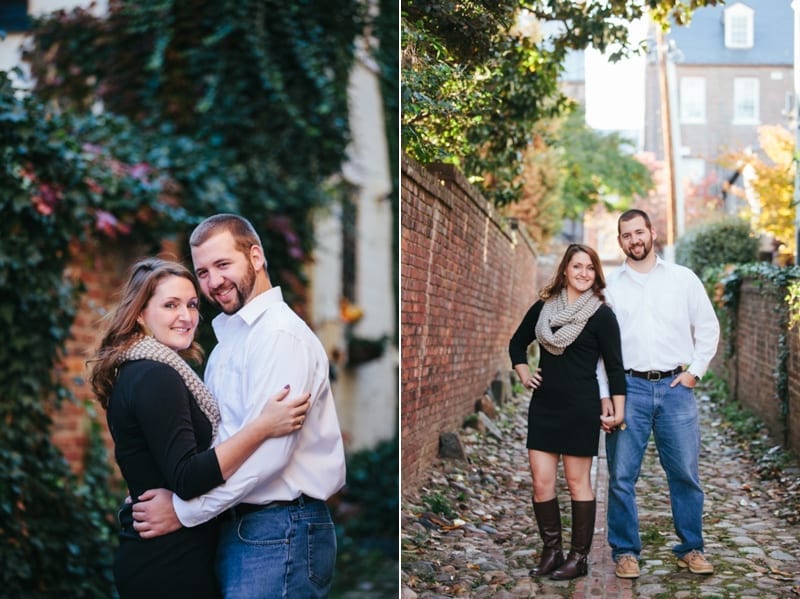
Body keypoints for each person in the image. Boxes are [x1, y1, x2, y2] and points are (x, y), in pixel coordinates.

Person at [131, 214, 347, 598]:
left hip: (280, 530)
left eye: (223, 264)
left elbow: (268, 458)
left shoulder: (279, 337)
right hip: (239, 528)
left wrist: (182, 511)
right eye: (203, 272)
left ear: (256, 256)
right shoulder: (228, 344)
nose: (213, 282)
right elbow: (219, 443)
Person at [89, 258, 311, 599]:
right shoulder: (156, 375)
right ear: (139, 314)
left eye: (192, 305)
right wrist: (263, 426)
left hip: (167, 554)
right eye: (170, 305)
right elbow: (188, 477)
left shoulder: (141, 370)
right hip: (169, 563)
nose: (186, 316)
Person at [600, 209, 720, 579]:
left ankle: (691, 548)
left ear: (652, 232)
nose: (635, 240)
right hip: (628, 388)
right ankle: (625, 551)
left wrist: (694, 373)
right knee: (621, 475)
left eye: (639, 232)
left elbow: (708, 327)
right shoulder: (609, 287)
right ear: (620, 241)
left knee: (684, 473)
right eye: (626, 235)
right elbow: (600, 349)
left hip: (674, 388)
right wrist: (605, 393)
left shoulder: (683, 279)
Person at [509, 243, 626, 581]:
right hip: (544, 406)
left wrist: (618, 410)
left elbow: (615, 367)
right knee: (541, 483)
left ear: (596, 274)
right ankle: (552, 550)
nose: (583, 273)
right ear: (564, 270)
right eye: (577, 266)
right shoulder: (545, 308)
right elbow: (517, 343)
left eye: (590, 268)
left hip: (581, 408)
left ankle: (579, 556)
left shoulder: (602, 315)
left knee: (577, 484)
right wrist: (524, 374)